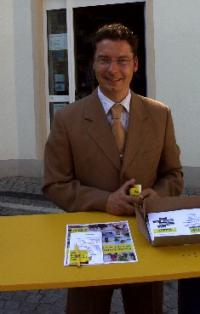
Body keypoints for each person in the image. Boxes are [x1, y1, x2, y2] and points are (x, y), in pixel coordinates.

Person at [43, 23, 183, 314]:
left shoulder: (160, 115)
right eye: (104, 59)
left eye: (122, 60)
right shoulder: (67, 119)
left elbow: (173, 174)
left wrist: (157, 196)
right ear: (93, 64)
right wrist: (105, 201)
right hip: (89, 241)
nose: (113, 69)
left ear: (135, 64)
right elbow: (55, 184)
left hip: (145, 238)